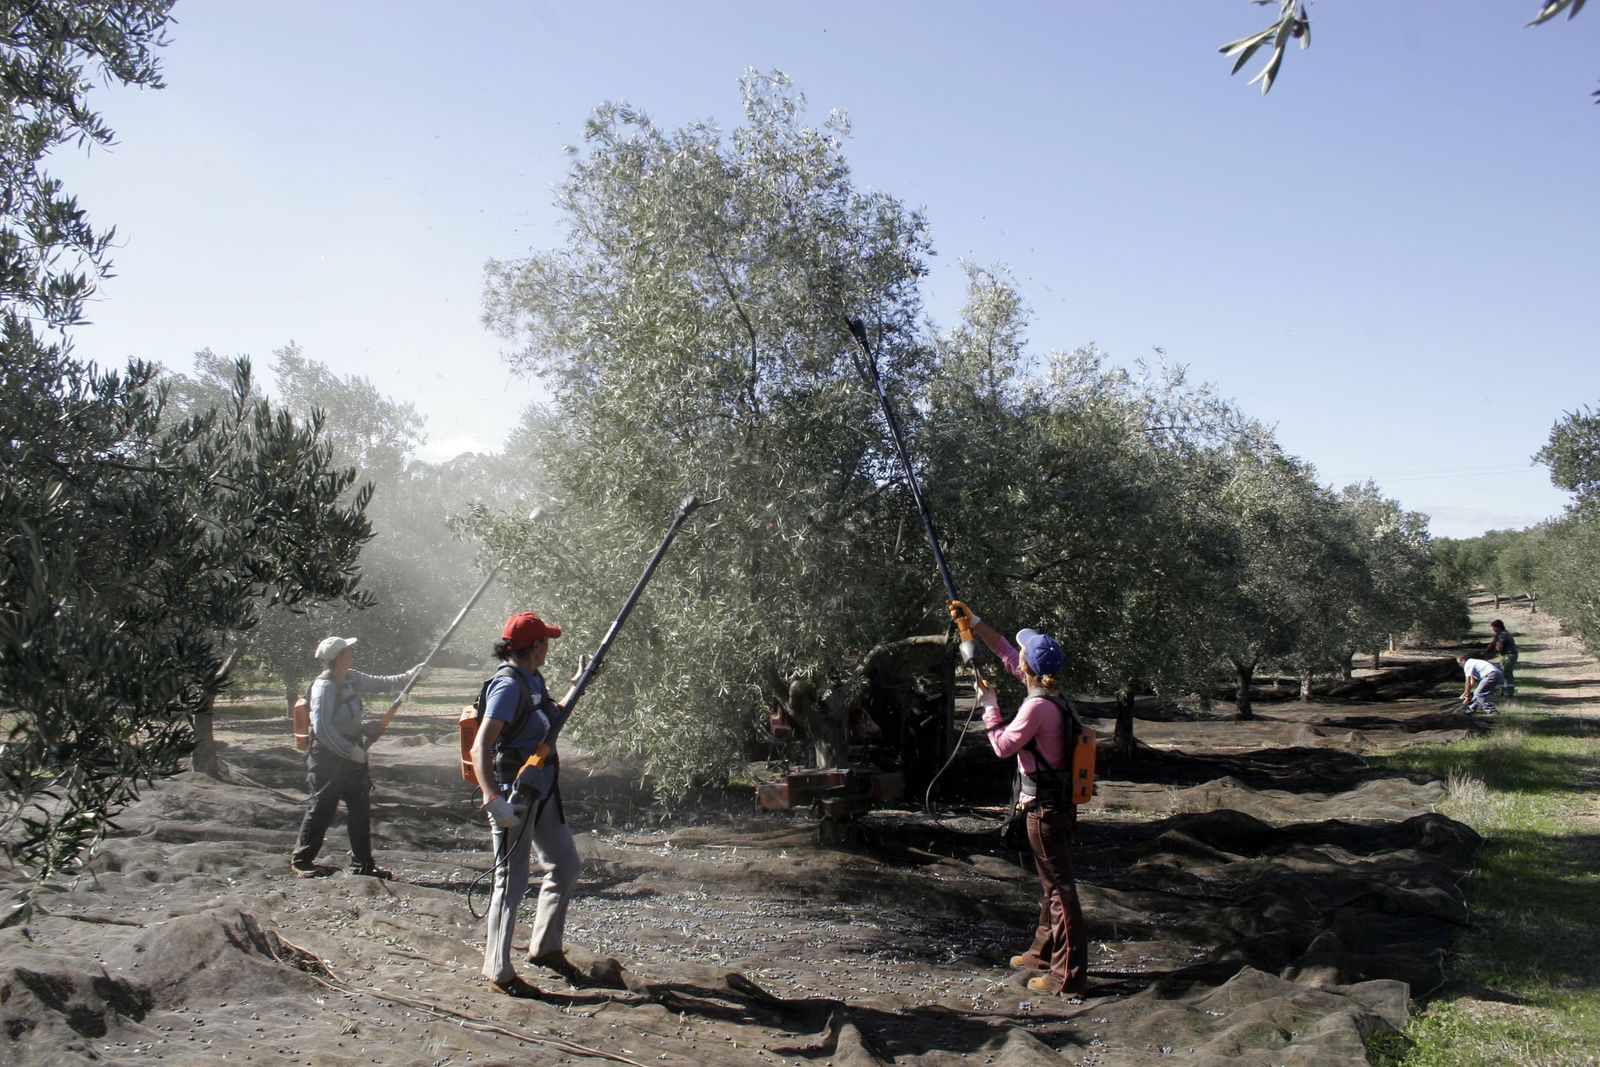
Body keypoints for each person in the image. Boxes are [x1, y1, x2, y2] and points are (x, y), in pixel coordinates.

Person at [949, 600, 1088, 996]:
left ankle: (1068, 977)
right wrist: (972, 622)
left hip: (1044, 811)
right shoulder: (1052, 693)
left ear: (1029, 669)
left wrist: (990, 709)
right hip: (1055, 805)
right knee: (1052, 886)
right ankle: (1042, 954)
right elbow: (1006, 649)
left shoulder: (1036, 707)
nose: (1017, 656)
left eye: (1023, 656)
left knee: (1061, 892)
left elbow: (1003, 747)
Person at [472, 612, 582, 997]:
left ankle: (545, 948)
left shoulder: (533, 678)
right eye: (546, 642)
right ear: (534, 647)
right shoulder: (507, 685)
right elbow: (480, 745)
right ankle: (497, 968)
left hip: (542, 786)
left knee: (565, 864)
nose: (549, 647)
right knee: (512, 880)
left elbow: (551, 720)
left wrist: (577, 687)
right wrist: (492, 799)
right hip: (513, 793)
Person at [290, 636, 423, 879]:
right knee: (321, 808)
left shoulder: (350, 676)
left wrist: (409, 676)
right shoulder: (324, 687)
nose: (352, 652)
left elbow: (381, 683)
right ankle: (302, 860)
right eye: (348, 649)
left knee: (360, 809)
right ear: (339, 656)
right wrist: (350, 752)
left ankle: (363, 864)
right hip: (327, 759)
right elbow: (322, 728)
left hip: (353, 756)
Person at [1483, 620, 1518, 696]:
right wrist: (1485, 651)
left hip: (1509, 655)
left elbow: (1499, 648)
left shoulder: (1503, 635)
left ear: (1498, 627)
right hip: (1508, 655)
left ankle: (1508, 693)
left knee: (1505, 674)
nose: (1493, 629)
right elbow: (1493, 643)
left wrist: (1490, 654)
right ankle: (1504, 691)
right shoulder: (1501, 633)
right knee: (1504, 673)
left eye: (1494, 627)